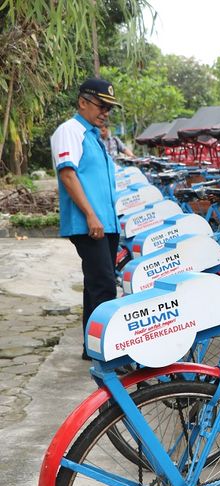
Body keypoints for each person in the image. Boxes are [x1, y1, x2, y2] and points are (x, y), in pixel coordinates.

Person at [50, 78, 122, 360]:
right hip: (89, 223)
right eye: (101, 105)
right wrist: (91, 215)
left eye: (109, 108)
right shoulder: (70, 131)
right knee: (104, 285)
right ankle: (108, 350)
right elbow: (68, 174)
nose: (105, 112)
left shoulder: (94, 135)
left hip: (105, 223)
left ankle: (92, 347)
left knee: (96, 285)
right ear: (83, 102)